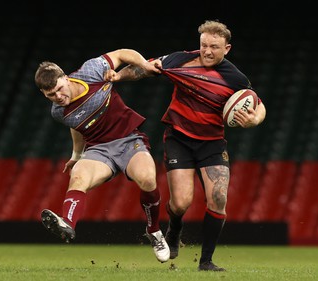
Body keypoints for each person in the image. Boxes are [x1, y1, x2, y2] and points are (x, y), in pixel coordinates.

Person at [105, 20, 266, 271]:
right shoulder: (179, 60)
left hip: (212, 143)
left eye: (214, 46)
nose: (208, 51)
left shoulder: (234, 77)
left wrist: (255, 118)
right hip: (179, 138)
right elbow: (146, 68)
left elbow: (257, 103)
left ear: (227, 48)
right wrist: (119, 76)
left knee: (219, 198)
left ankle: (206, 262)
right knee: (180, 203)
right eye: (204, 45)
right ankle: (175, 229)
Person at [34, 49, 170, 263]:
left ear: (66, 78)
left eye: (60, 89)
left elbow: (123, 53)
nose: (58, 97)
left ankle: (154, 231)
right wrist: (76, 154)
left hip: (128, 139)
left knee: (148, 179)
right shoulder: (58, 112)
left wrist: (144, 65)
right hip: (98, 150)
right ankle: (67, 223)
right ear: (44, 94)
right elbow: (77, 126)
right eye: (51, 95)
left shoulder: (91, 71)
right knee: (78, 176)